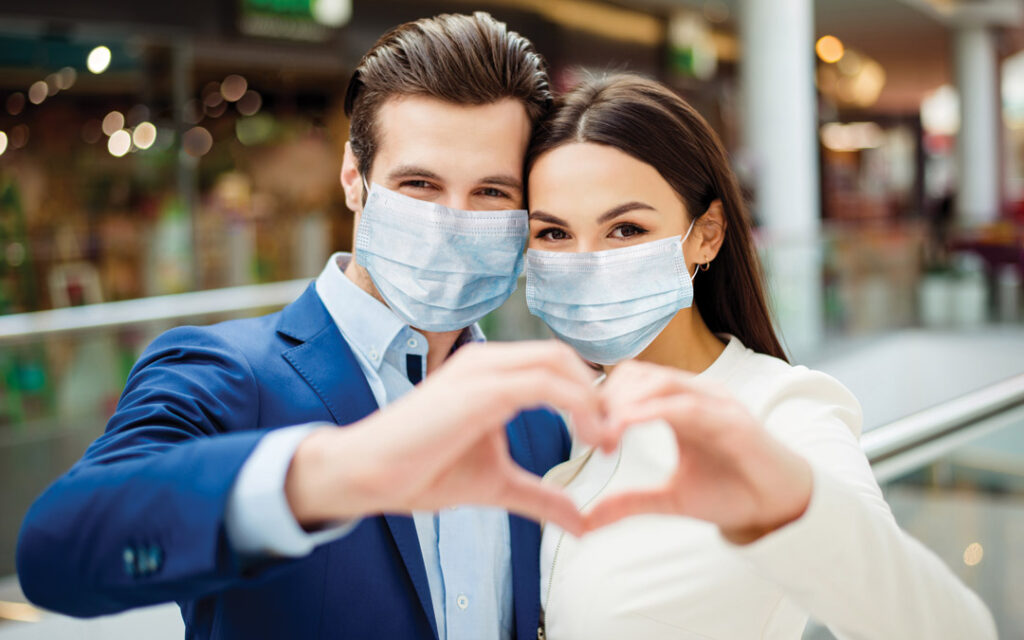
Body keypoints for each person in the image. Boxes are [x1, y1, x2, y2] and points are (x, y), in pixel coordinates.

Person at [16, 13, 604, 640]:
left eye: (491, 192)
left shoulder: (536, 421)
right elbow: (60, 549)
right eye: (419, 184)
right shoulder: (227, 372)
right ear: (355, 179)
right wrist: (334, 471)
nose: (453, 221)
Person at [522, 73, 997, 639]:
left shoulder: (781, 412)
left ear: (708, 234)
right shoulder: (564, 420)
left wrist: (789, 505)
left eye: (626, 229)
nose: (587, 261)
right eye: (552, 234)